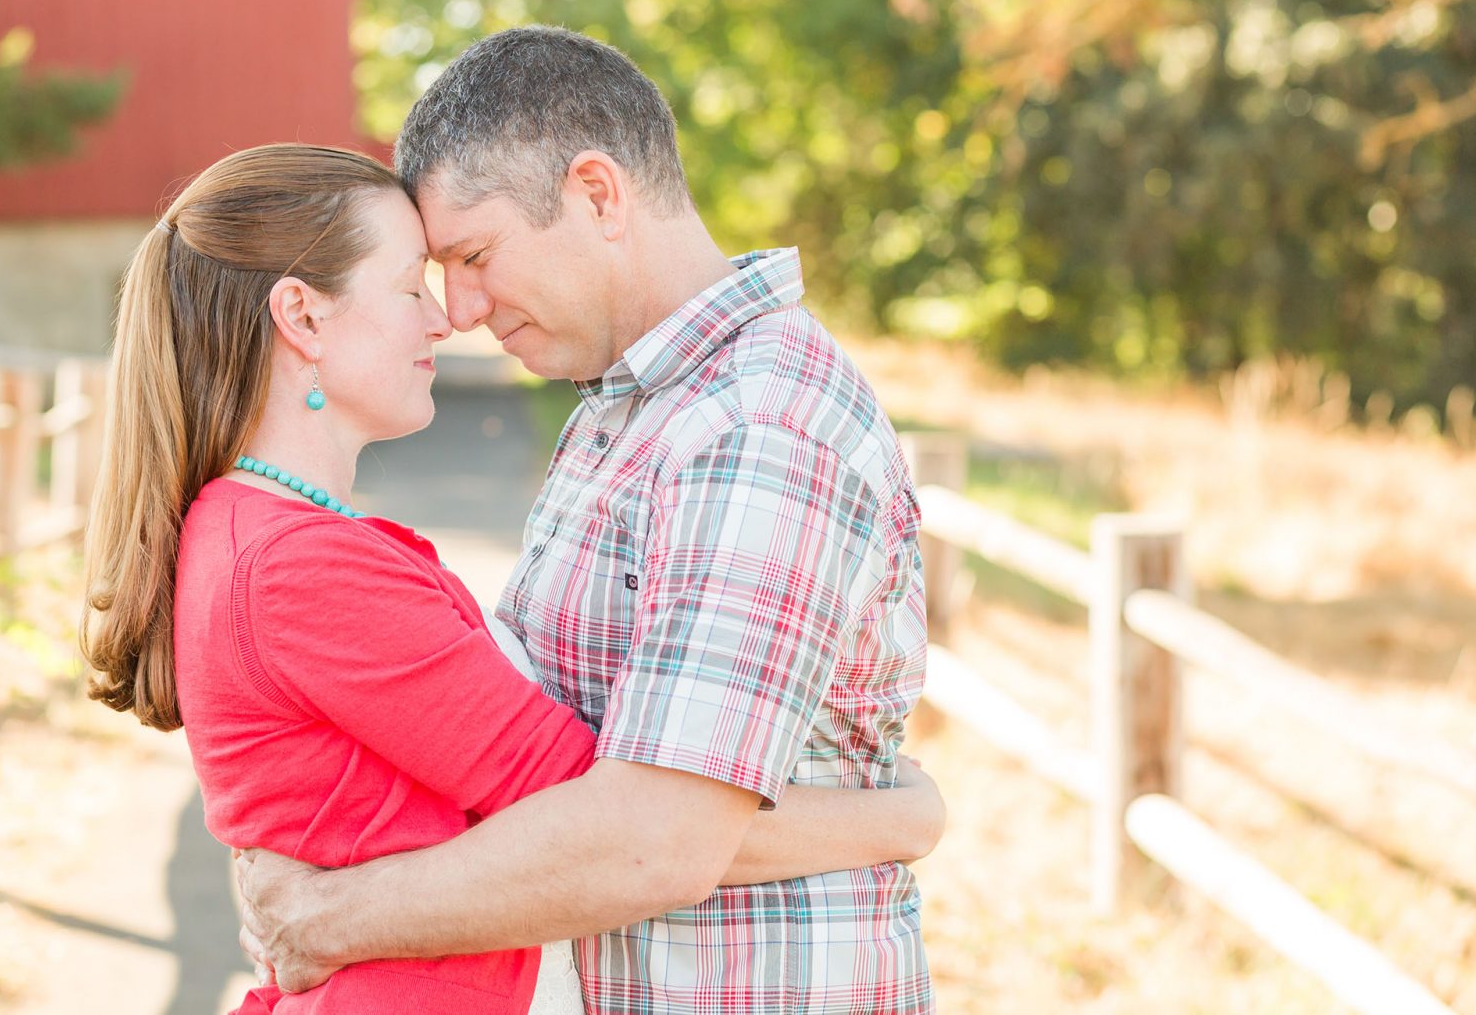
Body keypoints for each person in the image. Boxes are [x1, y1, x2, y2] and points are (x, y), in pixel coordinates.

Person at [79, 143, 942, 1015]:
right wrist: (901, 820)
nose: (445, 317)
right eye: (413, 283)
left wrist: (329, 915)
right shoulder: (295, 566)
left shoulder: (267, 540)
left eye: (465, 262)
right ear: (302, 318)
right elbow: (618, 826)